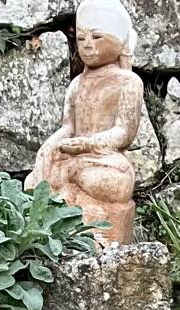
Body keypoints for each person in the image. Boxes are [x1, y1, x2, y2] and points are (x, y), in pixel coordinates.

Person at [25, 0, 141, 244]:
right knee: (33, 181)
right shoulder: (77, 84)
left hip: (104, 160)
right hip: (75, 156)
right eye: (81, 38)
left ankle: (75, 195)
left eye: (97, 37)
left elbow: (124, 132)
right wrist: (49, 147)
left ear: (120, 41)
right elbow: (68, 126)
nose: (87, 45)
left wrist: (89, 144)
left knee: (114, 182)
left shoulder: (128, 82)